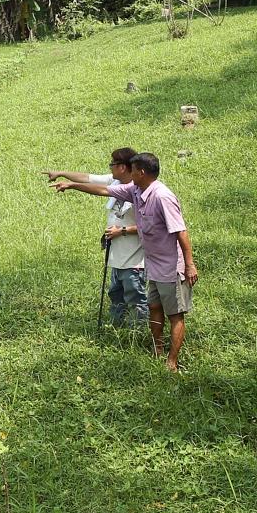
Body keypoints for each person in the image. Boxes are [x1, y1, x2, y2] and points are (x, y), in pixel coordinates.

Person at [46, 152, 198, 372]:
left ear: (142, 172)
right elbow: (103, 190)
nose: (129, 172)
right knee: (154, 307)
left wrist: (190, 264)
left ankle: (172, 361)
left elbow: (181, 232)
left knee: (175, 313)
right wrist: (71, 185)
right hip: (154, 263)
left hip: (171, 264)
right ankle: (157, 350)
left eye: (133, 169)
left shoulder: (162, 196)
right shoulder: (135, 190)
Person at [42, 148, 146, 328]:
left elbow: (150, 226)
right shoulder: (115, 179)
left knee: (135, 298)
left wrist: (121, 231)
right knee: (116, 295)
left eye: (112, 164)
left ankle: (138, 332)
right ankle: (117, 329)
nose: (110, 167)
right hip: (116, 256)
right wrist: (61, 173)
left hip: (135, 259)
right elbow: (88, 178)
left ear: (122, 167)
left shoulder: (139, 190)